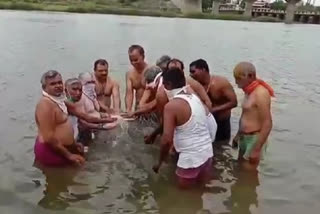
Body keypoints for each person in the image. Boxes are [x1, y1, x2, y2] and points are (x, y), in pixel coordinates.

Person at [152, 67, 217, 188]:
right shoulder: (195, 99)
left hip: (189, 161)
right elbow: (209, 121)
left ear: (168, 84)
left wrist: (159, 162)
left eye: (164, 85)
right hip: (207, 155)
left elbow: (166, 140)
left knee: (184, 199)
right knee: (199, 193)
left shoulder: (171, 106)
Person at [144, 58, 213, 144]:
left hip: (202, 125)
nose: (174, 73)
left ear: (182, 72)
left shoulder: (189, 84)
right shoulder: (169, 90)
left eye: (177, 70)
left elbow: (208, 103)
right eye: (171, 70)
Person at [34, 70, 85, 167]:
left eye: (59, 82)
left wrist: (74, 144)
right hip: (51, 151)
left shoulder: (58, 101)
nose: (57, 86)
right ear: (44, 87)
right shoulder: (45, 105)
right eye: (53, 84)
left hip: (60, 148)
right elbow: (49, 138)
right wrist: (69, 155)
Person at [232, 62, 273, 167]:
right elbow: (245, 115)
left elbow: (267, 123)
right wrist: (237, 136)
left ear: (251, 76)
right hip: (244, 137)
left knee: (249, 172)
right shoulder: (248, 91)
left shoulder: (261, 93)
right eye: (235, 78)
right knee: (240, 169)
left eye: (239, 78)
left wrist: (257, 148)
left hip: (254, 139)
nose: (236, 82)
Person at [190, 59, 237, 142]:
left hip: (222, 122)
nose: (191, 74)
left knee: (222, 146)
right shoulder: (195, 85)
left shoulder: (221, 82)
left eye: (193, 71)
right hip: (205, 123)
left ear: (203, 70)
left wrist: (214, 110)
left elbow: (234, 102)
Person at [125, 45, 149, 113]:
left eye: (136, 60)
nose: (133, 63)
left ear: (143, 57)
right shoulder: (129, 74)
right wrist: (128, 109)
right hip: (137, 109)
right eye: (131, 60)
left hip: (150, 108)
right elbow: (129, 93)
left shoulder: (151, 70)